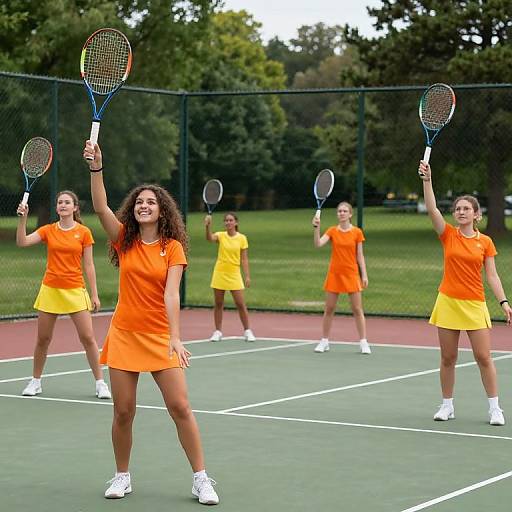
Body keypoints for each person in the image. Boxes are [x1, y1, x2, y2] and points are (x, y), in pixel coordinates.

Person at [84, 140, 219, 504]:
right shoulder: (123, 240)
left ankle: (201, 479)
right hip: (125, 335)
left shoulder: (172, 247)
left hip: (160, 336)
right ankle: (121, 476)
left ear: (162, 211)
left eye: (151, 202)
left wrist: (175, 338)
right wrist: (97, 167)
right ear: (134, 209)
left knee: (180, 407)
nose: (144, 205)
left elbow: (171, 294)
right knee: (123, 411)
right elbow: (99, 206)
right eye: (139, 201)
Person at [419, 160, 511, 426]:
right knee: (448, 357)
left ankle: (495, 408)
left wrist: (503, 302)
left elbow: (491, 275)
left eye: (466, 209)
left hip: (474, 304)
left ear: (476, 214)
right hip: (447, 301)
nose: (460, 212)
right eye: (458, 208)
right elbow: (433, 208)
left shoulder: (486, 242)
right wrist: (427, 180)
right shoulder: (448, 235)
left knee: (484, 357)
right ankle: (447, 405)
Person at [16, 191, 111, 399]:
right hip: (50, 290)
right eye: (60, 202)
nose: (63, 205)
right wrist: (23, 219)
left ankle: (100, 383)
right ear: (57, 207)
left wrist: (94, 294)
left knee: (88, 338)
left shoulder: (84, 232)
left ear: (75, 207)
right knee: (43, 338)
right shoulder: (48, 230)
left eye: (67, 202)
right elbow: (22, 242)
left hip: (75, 290)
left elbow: (89, 265)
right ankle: (35, 382)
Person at [312, 202, 370, 354]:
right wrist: (316, 227)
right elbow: (318, 244)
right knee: (329, 308)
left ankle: (363, 342)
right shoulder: (332, 231)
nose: (341, 213)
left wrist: (364, 274)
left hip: (351, 274)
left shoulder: (357, 232)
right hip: (334, 274)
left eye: (345, 211)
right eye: (339, 211)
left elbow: (360, 256)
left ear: (350, 214)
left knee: (357, 309)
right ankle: (324, 341)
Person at [204, 212, 255, 342]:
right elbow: (209, 238)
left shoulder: (242, 238)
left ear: (236, 223)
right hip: (220, 273)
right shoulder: (221, 235)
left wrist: (247, 276)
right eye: (226, 220)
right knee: (218, 303)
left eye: (231, 220)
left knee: (240, 304)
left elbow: (244, 259)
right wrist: (207, 226)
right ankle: (218, 331)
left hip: (234, 274)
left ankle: (247, 331)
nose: (228, 222)